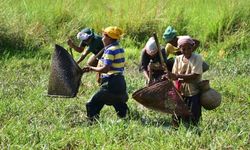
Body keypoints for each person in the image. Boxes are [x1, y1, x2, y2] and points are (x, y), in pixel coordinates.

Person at [82, 26, 129, 121]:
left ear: (109, 38)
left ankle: (92, 123)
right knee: (118, 104)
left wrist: (91, 68)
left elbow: (105, 69)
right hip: (120, 82)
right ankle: (126, 118)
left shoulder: (110, 50)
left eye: (104, 36)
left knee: (92, 104)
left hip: (111, 83)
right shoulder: (119, 47)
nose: (102, 38)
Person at [167, 36, 203, 127]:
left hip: (193, 92)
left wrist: (177, 76)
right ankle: (176, 131)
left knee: (194, 116)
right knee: (177, 116)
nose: (186, 51)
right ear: (180, 49)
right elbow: (174, 75)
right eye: (184, 49)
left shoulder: (197, 58)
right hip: (181, 92)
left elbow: (195, 75)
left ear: (193, 47)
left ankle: (195, 132)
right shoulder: (178, 59)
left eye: (189, 48)